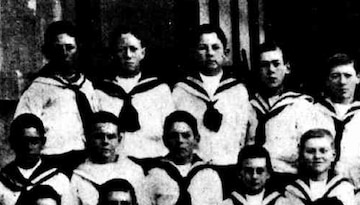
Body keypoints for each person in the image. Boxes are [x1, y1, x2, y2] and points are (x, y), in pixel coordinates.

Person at [14, 21, 96, 169]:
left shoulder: (86, 86)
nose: (64, 53)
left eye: (70, 48)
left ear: (78, 49)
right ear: (49, 52)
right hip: (53, 159)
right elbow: (23, 125)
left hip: (85, 157)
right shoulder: (39, 88)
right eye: (58, 48)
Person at [171, 24, 253, 168]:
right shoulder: (181, 91)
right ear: (195, 52)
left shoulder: (238, 91)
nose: (210, 53)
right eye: (203, 48)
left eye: (215, 47)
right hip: (195, 167)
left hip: (230, 165)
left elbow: (245, 134)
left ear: (225, 53)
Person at [138, 111, 223, 205]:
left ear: (196, 139)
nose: (180, 141)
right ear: (165, 140)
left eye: (186, 135)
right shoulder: (155, 174)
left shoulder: (209, 175)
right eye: (174, 136)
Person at [93, 27, 174, 163]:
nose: (128, 55)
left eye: (133, 49)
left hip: (155, 160)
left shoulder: (159, 90)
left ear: (142, 53)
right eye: (121, 50)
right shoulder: (100, 92)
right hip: (118, 163)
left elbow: (171, 131)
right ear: (113, 54)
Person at [0, 114, 74, 205]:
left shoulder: (58, 180)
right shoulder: (3, 180)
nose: (29, 147)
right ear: (12, 142)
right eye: (23, 142)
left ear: (43, 142)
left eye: (34, 141)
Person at [70, 112, 145, 205]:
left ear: (119, 139)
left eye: (110, 137)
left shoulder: (134, 171)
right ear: (87, 139)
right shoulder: (79, 176)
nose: (105, 142)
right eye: (99, 137)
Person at [250, 42, 318, 176]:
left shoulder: (300, 105)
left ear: (287, 68)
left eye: (276, 64)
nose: (271, 70)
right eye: (264, 65)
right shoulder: (249, 106)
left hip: (289, 176)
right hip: (255, 177)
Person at [313, 53, 360, 184]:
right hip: (322, 186)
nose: (342, 82)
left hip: (359, 183)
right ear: (327, 80)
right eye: (335, 76)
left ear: (358, 78)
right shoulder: (314, 111)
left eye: (348, 76)